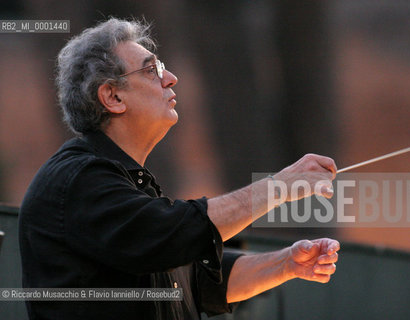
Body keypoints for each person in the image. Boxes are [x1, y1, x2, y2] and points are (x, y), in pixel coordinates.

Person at [19, 18, 340, 320]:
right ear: (112, 96)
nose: (170, 77)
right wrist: (279, 187)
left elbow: (196, 279)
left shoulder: (127, 188)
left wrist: (288, 263)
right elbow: (173, 235)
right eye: (150, 70)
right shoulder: (78, 181)